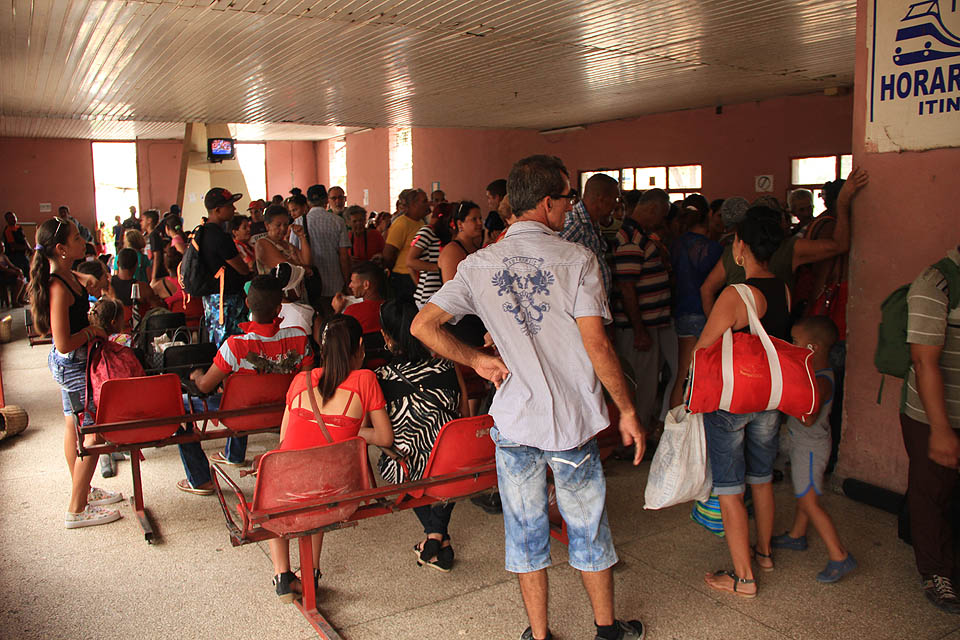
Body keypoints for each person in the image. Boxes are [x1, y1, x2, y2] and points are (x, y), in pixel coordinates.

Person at [411, 155, 646, 640]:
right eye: (567, 198)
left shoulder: (479, 264)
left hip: (516, 421)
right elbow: (598, 345)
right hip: (572, 424)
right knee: (587, 527)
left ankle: (539, 635)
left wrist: (477, 360)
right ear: (546, 202)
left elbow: (422, 325)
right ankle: (606, 631)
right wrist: (626, 409)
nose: (570, 207)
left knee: (524, 533)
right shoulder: (577, 259)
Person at [693, 207, 792, 598]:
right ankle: (764, 554)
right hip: (769, 397)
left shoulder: (736, 295)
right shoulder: (783, 290)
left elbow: (704, 346)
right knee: (762, 478)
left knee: (730, 488)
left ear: (740, 246)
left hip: (732, 400)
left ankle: (744, 578)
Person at [269, 313, 392, 601]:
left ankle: (282, 574)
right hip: (337, 491)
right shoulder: (365, 379)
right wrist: (354, 431)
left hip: (282, 493)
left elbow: (283, 440)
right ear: (360, 346)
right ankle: (310, 573)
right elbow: (385, 438)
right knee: (322, 478)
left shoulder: (300, 380)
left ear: (322, 347)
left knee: (288, 479)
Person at [177, 275, 313, 494]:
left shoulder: (234, 346)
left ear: (247, 303)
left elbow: (204, 387)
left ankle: (200, 480)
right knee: (242, 390)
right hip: (285, 412)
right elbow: (306, 384)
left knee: (181, 405)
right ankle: (233, 455)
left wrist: (197, 376)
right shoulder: (299, 338)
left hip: (239, 415)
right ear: (279, 308)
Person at [29, 217, 122, 529]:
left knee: (73, 425)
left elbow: (73, 276)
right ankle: (77, 508)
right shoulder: (58, 287)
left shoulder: (66, 273)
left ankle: (83, 490)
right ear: (61, 249)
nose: (83, 241)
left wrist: (84, 276)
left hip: (74, 362)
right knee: (94, 431)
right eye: (77, 239)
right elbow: (63, 342)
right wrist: (92, 331)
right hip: (72, 363)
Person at [376, 300, 468, 571]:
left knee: (398, 459)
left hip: (409, 466)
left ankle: (435, 536)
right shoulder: (447, 366)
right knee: (442, 458)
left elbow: (384, 437)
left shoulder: (380, 378)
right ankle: (439, 538)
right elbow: (463, 416)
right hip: (452, 463)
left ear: (386, 336)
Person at [771, 316, 857, 582]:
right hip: (804, 446)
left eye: (795, 341)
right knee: (803, 492)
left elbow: (808, 418)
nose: (791, 345)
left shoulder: (821, 381)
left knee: (810, 502)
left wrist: (785, 396)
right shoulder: (815, 374)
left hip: (810, 450)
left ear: (813, 348)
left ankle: (840, 555)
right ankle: (797, 535)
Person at [899, 242, 960, 612]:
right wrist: (940, 428)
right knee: (931, 492)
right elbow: (924, 362)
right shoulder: (936, 283)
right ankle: (936, 573)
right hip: (933, 415)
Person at [612, 188, 678, 433]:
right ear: (653, 209)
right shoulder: (631, 238)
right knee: (640, 383)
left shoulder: (641, 235)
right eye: (662, 215)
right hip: (636, 328)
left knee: (647, 383)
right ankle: (635, 435)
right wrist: (639, 329)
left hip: (647, 325)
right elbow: (627, 287)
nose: (662, 221)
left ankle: (640, 429)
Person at [667, 205, 723, 409]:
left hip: (682, 311)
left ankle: (675, 421)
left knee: (683, 372)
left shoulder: (675, 244)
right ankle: (700, 419)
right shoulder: (714, 248)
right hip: (706, 312)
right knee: (707, 372)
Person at [198, 188, 252, 346]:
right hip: (227, 301)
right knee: (233, 346)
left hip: (211, 300)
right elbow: (242, 268)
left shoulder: (202, 233)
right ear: (217, 210)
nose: (234, 209)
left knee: (218, 344)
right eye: (229, 206)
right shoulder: (220, 237)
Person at [292, 185, 351, 312]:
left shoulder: (298, 222)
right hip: (335, 283)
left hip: (309, 285)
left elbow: (294, 254)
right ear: (326, 200)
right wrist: (347, 282)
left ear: (308, 202)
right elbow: (344, 256)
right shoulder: (338, 221)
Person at [561, 173, 619, 300]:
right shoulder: (574, 223)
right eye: (615, 199)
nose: (616, 205)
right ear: (601, 199)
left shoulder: (593, 222)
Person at [438, 201, 486, 347]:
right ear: (460, 224)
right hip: (463, 323)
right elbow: (452, 292)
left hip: (478, 315)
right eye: (474, 219)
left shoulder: (475, 247)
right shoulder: (452, 250)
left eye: (480, 218)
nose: (479, 223)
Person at [383, 188, 428, 303]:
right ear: (413, 204)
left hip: (418, 275)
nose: (428, 204)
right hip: (404, 277)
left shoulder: (421, 222)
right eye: (424, 201)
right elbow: (388, 253)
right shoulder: (401, 224)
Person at [408, 202, 452, 309]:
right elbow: (410, 261)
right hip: (428, 295)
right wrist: (440, 268)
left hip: (442, 293)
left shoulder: (446, 233)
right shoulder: (427, 231)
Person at [331, 261, 385, 335]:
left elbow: (334, 334)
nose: (350, 285)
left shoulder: (352, 311)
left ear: (366, 285)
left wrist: (337, 311)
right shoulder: (391, 309)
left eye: (353, 282)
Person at [151, 247, 202, 323]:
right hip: (199, 323)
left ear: (166, 265)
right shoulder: (196, 280)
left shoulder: (160, 286)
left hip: (176, 325)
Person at [2, 212, 30, 281]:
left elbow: (24, 239)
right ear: (7, 220)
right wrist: (24, 248)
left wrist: (28, 247)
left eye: (14, 217)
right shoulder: (8, 231)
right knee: (20, 273)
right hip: (15, 255)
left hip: (23, 254)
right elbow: (13, 245)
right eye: (11, 218)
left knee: (27, 270)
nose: (13, 219)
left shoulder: (18, 227)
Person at [483, 178, 507, 246]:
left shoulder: (493, 217)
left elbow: (485, 243)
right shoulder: (516, 216)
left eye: (489, 198)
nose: (488, 202)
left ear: (497, 197)